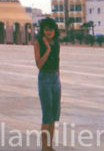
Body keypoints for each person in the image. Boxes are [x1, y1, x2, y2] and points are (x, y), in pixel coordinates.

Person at [34, 18, 61, 151]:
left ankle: (50, 146)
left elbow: (58, 61)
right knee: (47, 114)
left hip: (55, 79)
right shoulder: (38, 43)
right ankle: (44, 147)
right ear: (42, 30)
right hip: (44, 78)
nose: (49, 32)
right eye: (46, 29)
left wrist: (58, 77)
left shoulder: (57, 43)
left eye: (51, 29)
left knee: (54, 114)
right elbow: (39, 64)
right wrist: (48, 49)